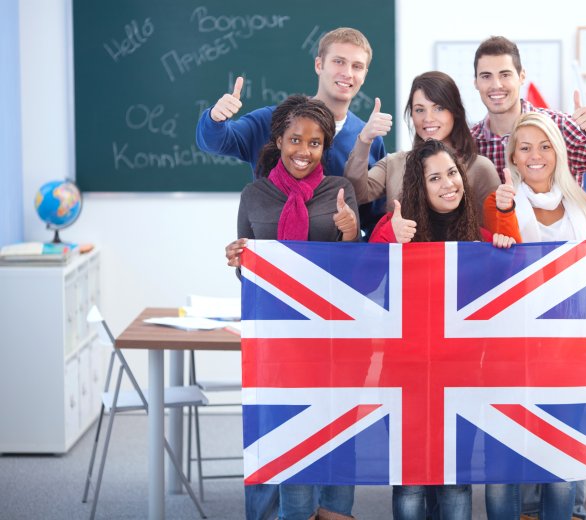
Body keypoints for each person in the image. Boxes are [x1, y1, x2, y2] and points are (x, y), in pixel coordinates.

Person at [483, 112, 586, 520]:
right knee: (504, 464)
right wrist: (503, 211)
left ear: (559, 152)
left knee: (561, 464)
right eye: (526, 147)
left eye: (545, 146)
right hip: (509, 353)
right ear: (512, 154)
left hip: (568, 355)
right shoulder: (498, 202)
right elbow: (494, 274)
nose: (536, 156)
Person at [227, 95, 359, 520]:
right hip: (276, 333)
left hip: (331, 334)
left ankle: (333, 510)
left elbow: (356, 270)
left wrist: (351, 233)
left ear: (325, 147)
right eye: (295, 140)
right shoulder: (254, 195)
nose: (304, 151)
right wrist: (238, 260)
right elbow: (249, 272)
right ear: (279, 141)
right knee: (275, 426)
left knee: (335, 425)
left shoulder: (340, 191)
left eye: (315, 143)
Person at [369, 138, 515, 519]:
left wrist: (502, 249)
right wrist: (389, 240)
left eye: (452, 173)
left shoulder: (479, 239)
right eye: (435, 178)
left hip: (460, 379)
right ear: (420, 185)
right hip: (405, 378)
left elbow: (506, 297)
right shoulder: (395, 226)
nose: (448, 183)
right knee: (411, 482)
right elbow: (363, 277)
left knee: (454, 480)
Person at [196, 27, 389, 235]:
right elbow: (215, 142)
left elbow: (373, 219)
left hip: (335, 263)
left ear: (364, 75)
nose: (348, 73)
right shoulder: (273, 120)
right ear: (319, 64)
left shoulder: (369, 139)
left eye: (357, 66)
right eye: (338, 61)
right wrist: (215, 119)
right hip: (273, 258)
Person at [470, 36, 586, 186]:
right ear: (476, 82)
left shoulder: (560, 126)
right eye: (486, 76)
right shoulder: (469, 142)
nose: (496, 84)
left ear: (522, 76)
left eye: (505, 74)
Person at [345, 71, 500, 223]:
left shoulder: (480, 168)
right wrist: (364, 140)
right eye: (420, 110)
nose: (428, 118)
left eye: (438, 108)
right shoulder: (394, 164)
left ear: (455, 111)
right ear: (411, 114)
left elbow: (495, 229)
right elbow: (355, 193)